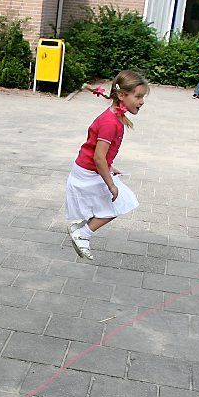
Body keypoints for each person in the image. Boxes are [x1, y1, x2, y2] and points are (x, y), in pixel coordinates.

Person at [66, 71, 146, 261]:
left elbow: (101, 156)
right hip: (87, 173)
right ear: (121, 95)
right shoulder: (110, 122)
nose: (142, 101)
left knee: (119, 202)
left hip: (88, 170)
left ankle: (81, 229)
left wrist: (110, 167)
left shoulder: (115, 117)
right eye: (138, 96)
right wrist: (111, 183)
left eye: (142, 96)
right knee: (120, 201)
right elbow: (98, 157)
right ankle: (82, 233)